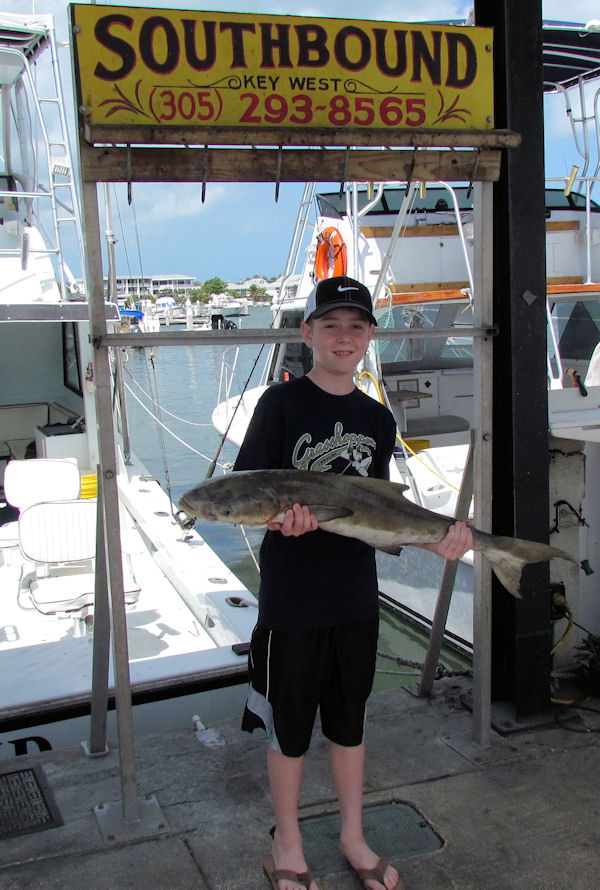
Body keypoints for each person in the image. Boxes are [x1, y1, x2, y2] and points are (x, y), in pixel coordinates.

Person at [234, 276, 473, 890]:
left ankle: (353, 835)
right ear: (307, 333)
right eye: (330, 325)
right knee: (289, 729)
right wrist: (283, 522)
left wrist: (442, 536)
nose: (343, 337)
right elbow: (246, 490)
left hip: (354, 596)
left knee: (350, 723)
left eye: (356, 326)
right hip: (291, 599)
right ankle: (287, 845)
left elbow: (383, 513)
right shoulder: (278, 405)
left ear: (370, 337)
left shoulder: (375, 417)